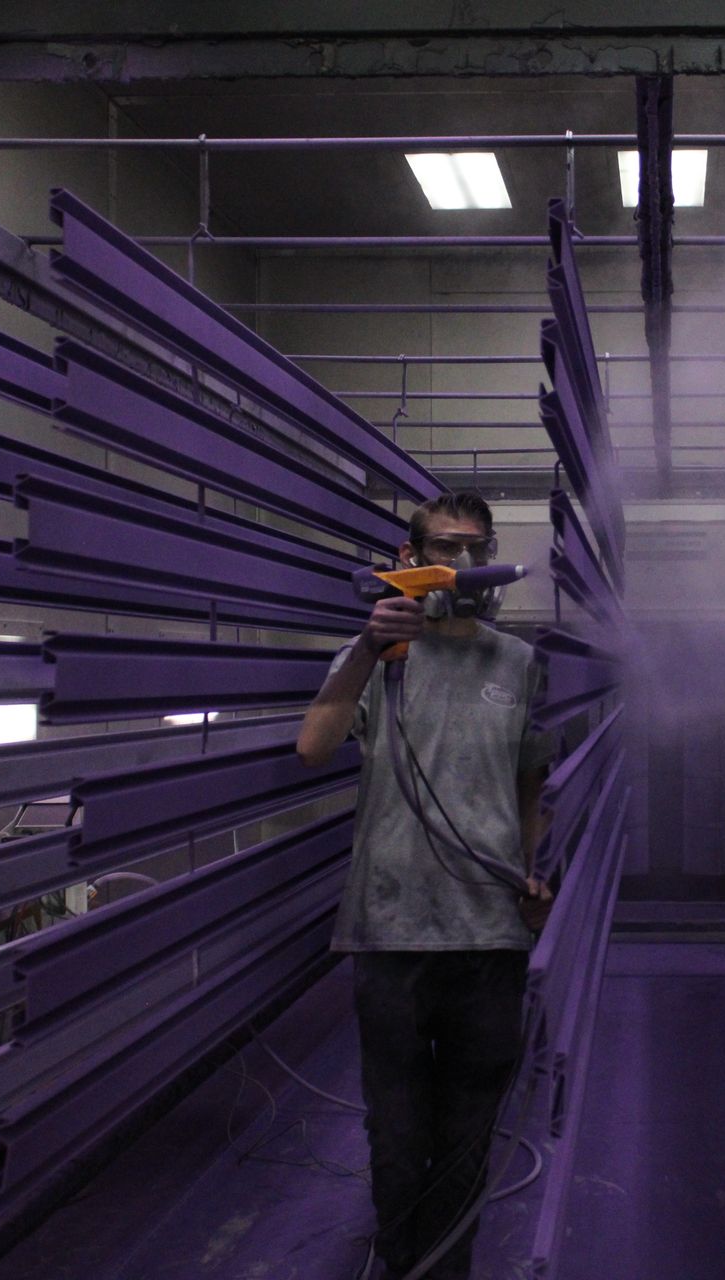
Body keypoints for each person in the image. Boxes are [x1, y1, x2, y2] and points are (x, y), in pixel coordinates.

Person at [297, 491, 554, 1280]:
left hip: (487, 935)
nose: (466, 565)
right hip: (392, 929)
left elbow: (528, 790)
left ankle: (448, 1269)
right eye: (447, 547)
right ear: (409, 560)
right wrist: (372, 649)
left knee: (468, 1135)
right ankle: (399, 1261)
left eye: (478, 549)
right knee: (400, 1136)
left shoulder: (518, 663)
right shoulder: (373, 654)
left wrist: (530, 877)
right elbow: (313, 745)